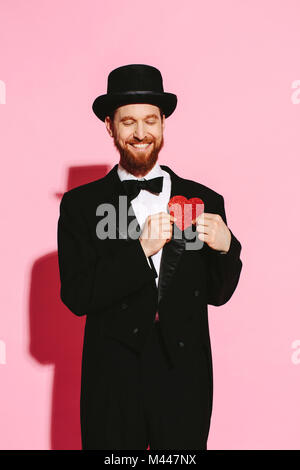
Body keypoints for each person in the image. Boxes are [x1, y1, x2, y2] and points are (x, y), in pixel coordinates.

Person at [57, 64, 243, 450]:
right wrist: (139, 250)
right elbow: (76, 296)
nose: (140, 133)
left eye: (150, 121)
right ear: (110, 126)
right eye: (128, 122)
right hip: (113, 375)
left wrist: (228, 247)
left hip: (183, 376)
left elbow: (217, 292)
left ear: (163, 124)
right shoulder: (80, 206)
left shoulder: (206, 200)